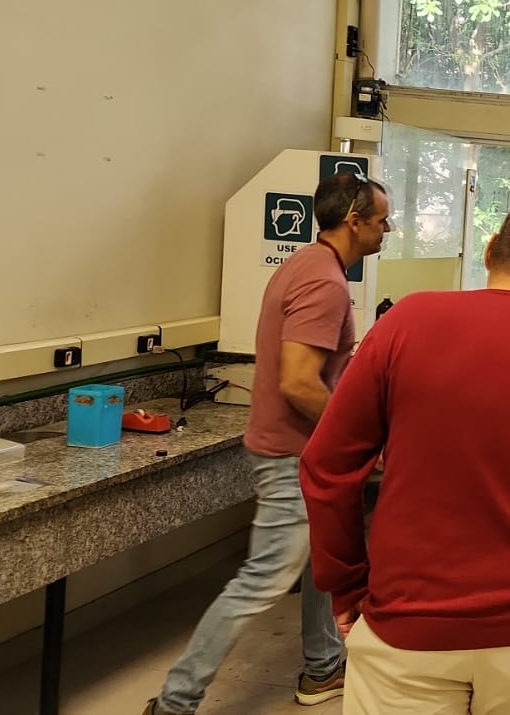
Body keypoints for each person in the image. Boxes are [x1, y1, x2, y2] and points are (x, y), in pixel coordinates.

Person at [298, 197, 510, 715]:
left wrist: (345, 584)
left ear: (489, 250)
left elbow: (327, 466)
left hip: (405, 623)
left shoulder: (406, 322)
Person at [144, 173, 390, 715]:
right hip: (291, 454)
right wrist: (359, 439)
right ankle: (174, 703)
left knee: (323, 558)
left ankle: (323, 667)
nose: (387, 229)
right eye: (381, 220)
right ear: (354, 222)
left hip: (295, 448)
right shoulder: (325, 283)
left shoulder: (305, 264)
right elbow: (299, 382)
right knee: (262, 579)